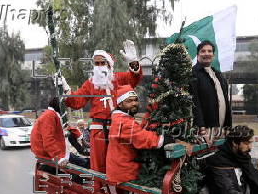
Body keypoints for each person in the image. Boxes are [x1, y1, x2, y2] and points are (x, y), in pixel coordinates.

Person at [62, 40, 143, 173]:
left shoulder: (119, 78)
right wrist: (65, 89)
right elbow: (76, 102)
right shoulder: (90, 83)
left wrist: (133, 62)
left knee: (119, 165)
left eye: (102, 62)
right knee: (98, 167)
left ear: (109, 64)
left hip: (118, 129)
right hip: (98, 130)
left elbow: (134, 79)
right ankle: (98, 191)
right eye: (96, 63)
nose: (99, 66)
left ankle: (119, 193)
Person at [106, 85, 192, 184]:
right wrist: (173, 140)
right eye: (129, 101)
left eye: (135, 100)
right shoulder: (123, 121)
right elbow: (144, 138)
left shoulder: (121, 118)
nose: (134, 103)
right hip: (124, 171)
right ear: (120, 104)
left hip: (119, 168)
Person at [30, 97, 89, 169]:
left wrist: (81, 138)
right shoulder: (49, 116)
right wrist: (59, 158)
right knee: (85, 163)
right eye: (65, 106)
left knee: (83, 161)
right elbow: (48, 141)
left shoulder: (53, 115)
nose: (66, 109)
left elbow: (68, 127)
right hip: (49, 154)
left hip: (58, 151)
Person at [189, 40, 232, 134]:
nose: (206, 53)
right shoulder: (193, 74)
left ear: (213, 55)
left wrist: (228, 126)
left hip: (222, 129)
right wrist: (201, 127)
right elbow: (195, 102)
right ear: (197, 55)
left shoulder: (218, 75)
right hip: (205, 130)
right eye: (203, 51)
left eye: (209, 51)